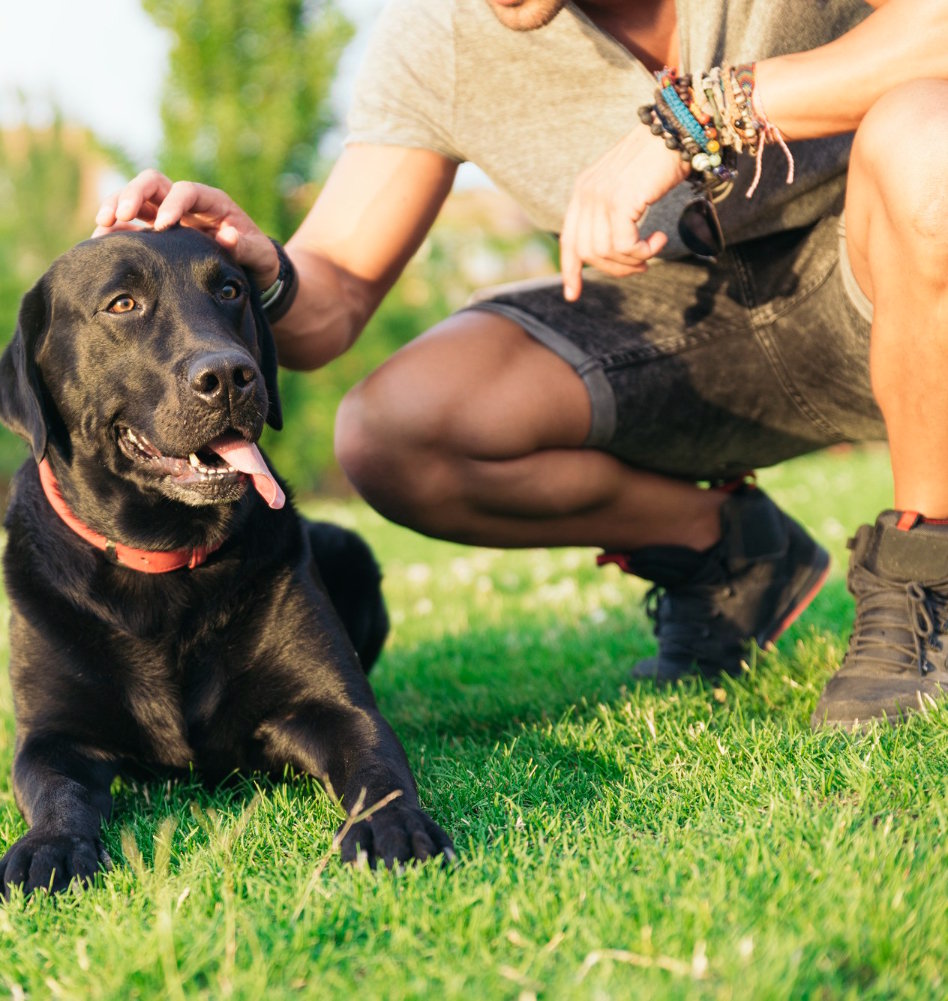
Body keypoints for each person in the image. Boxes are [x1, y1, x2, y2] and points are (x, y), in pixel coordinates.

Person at [94, 0, 948, 730]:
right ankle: (730, 556)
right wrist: (262, 264)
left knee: (929, 141)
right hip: (688, 326)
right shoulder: (446, 39)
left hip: (893, 274)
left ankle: (927, 572)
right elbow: (333, 301)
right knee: (394, 432)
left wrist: (699, 115)